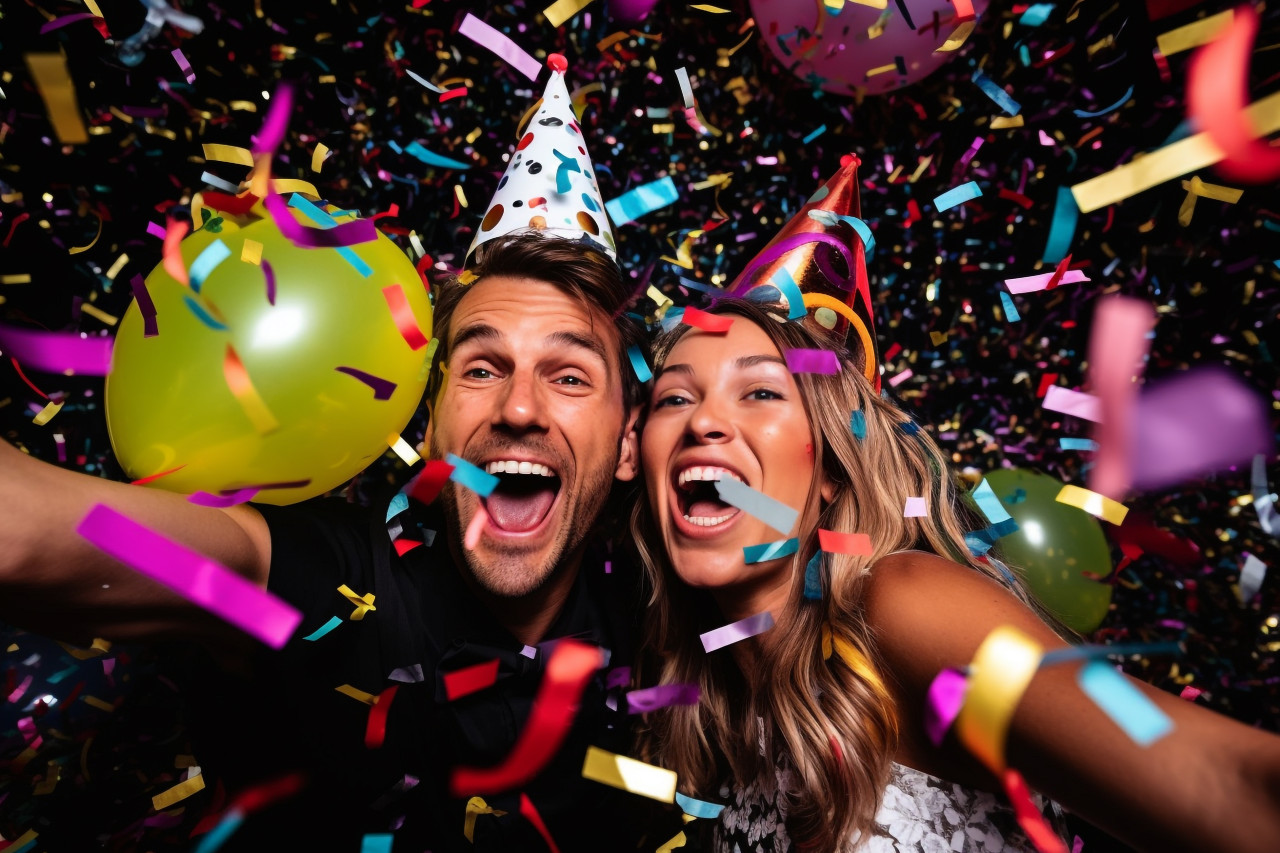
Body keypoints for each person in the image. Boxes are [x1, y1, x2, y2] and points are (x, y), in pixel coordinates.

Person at [0, 55, 678, 851]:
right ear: (431, 420)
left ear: (629, 444)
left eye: (568, 375)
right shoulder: (325, 577)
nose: (519, 407)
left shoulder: (670, 622)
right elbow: (29, 536)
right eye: (483, 368)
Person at [630, 296, 1280, 853]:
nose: (704, 421)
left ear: (830, 470)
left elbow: (1220, 780)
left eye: (762, 391)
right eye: (676, 396)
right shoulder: (719, 718)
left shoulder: (900, 607)